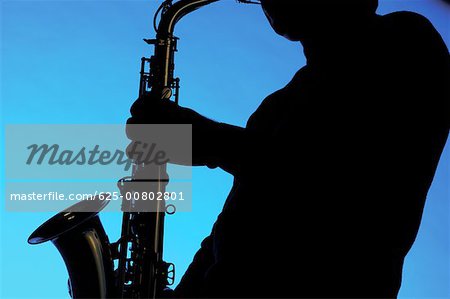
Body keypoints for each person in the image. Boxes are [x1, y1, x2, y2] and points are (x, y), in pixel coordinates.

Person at [127, 0, 449, 297]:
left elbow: (341, 188)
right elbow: (230, 232)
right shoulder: (277, 105)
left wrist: (213, 142)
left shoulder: (407, 40)